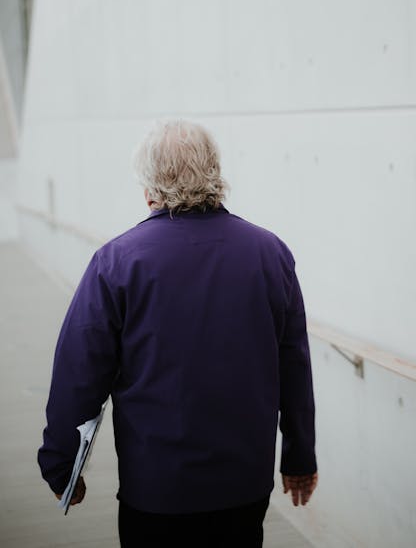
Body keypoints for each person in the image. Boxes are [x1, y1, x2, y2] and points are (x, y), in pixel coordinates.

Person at [38, 120, 317, 547]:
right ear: (215, 174)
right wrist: (298, 457)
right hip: (244, 485)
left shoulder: (116, 263)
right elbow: (293, 366)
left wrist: (62, 465)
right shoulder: (269, 253)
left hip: (157, 490)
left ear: (149, 188)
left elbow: (79, 373)